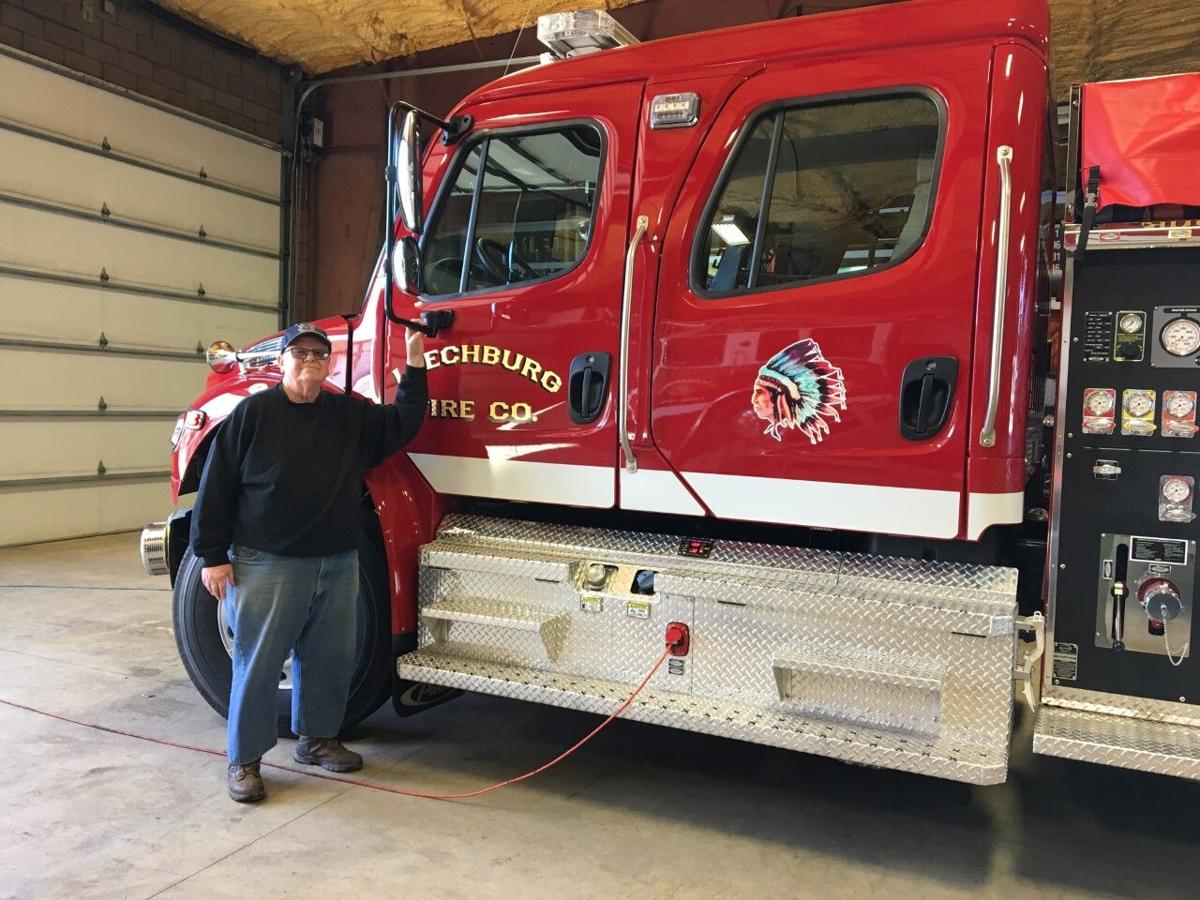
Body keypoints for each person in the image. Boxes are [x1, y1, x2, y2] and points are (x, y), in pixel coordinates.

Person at [190, 322, 427, 802]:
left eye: (319, 354)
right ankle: (245, 762)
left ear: (330, 364)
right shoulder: (252, 415)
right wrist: (212, 556)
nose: (310, 361)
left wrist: (416, 365)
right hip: (267, 562)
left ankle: (317, 740)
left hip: (336, 562)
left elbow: (401, 423)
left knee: (329, 660)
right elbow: (215, 487)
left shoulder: (346, 415)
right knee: (257, 666)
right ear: (282, 362)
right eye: (300, 354)